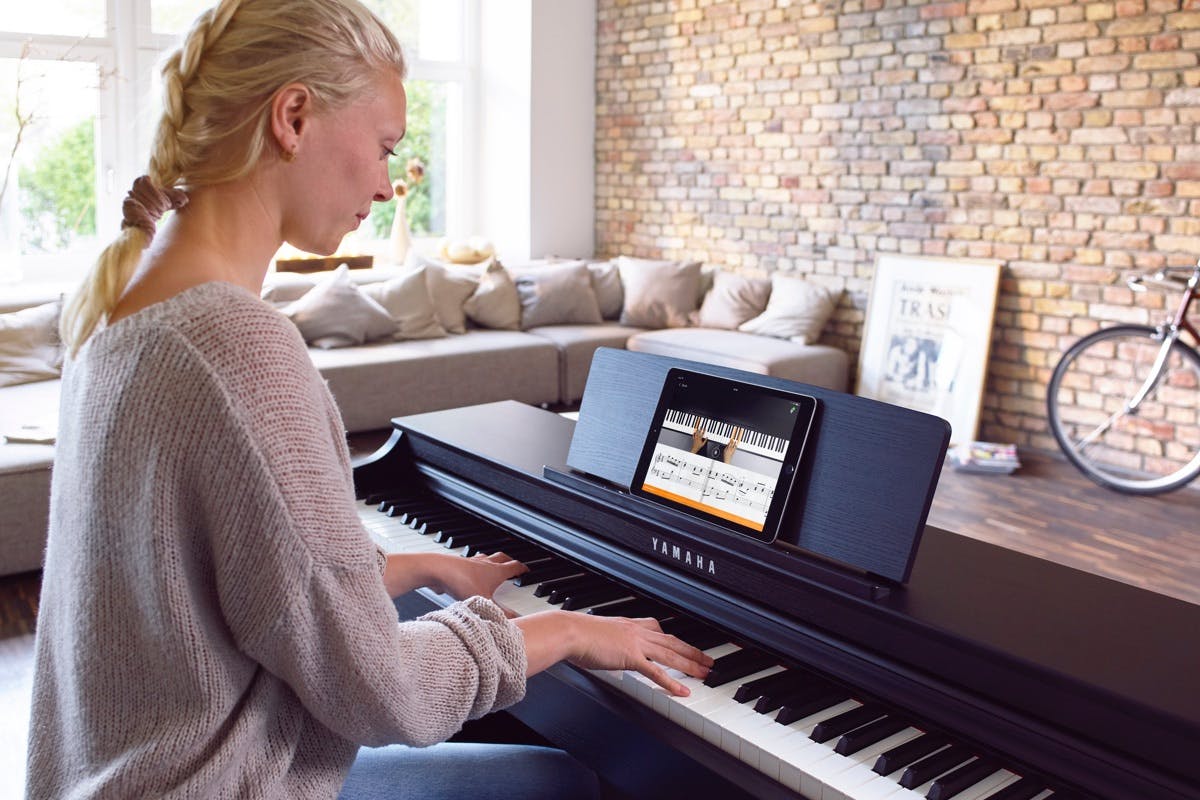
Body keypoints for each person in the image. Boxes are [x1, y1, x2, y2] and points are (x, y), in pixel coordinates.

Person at [25, 1, 712, 798]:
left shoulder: (117, 310)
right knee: (561, 781)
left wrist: (411, 567)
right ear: (293, 115)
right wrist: (561, 628)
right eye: (385, 147)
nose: (390, 185)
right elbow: (390, 694)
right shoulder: (233, 344)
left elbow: (216, 578)